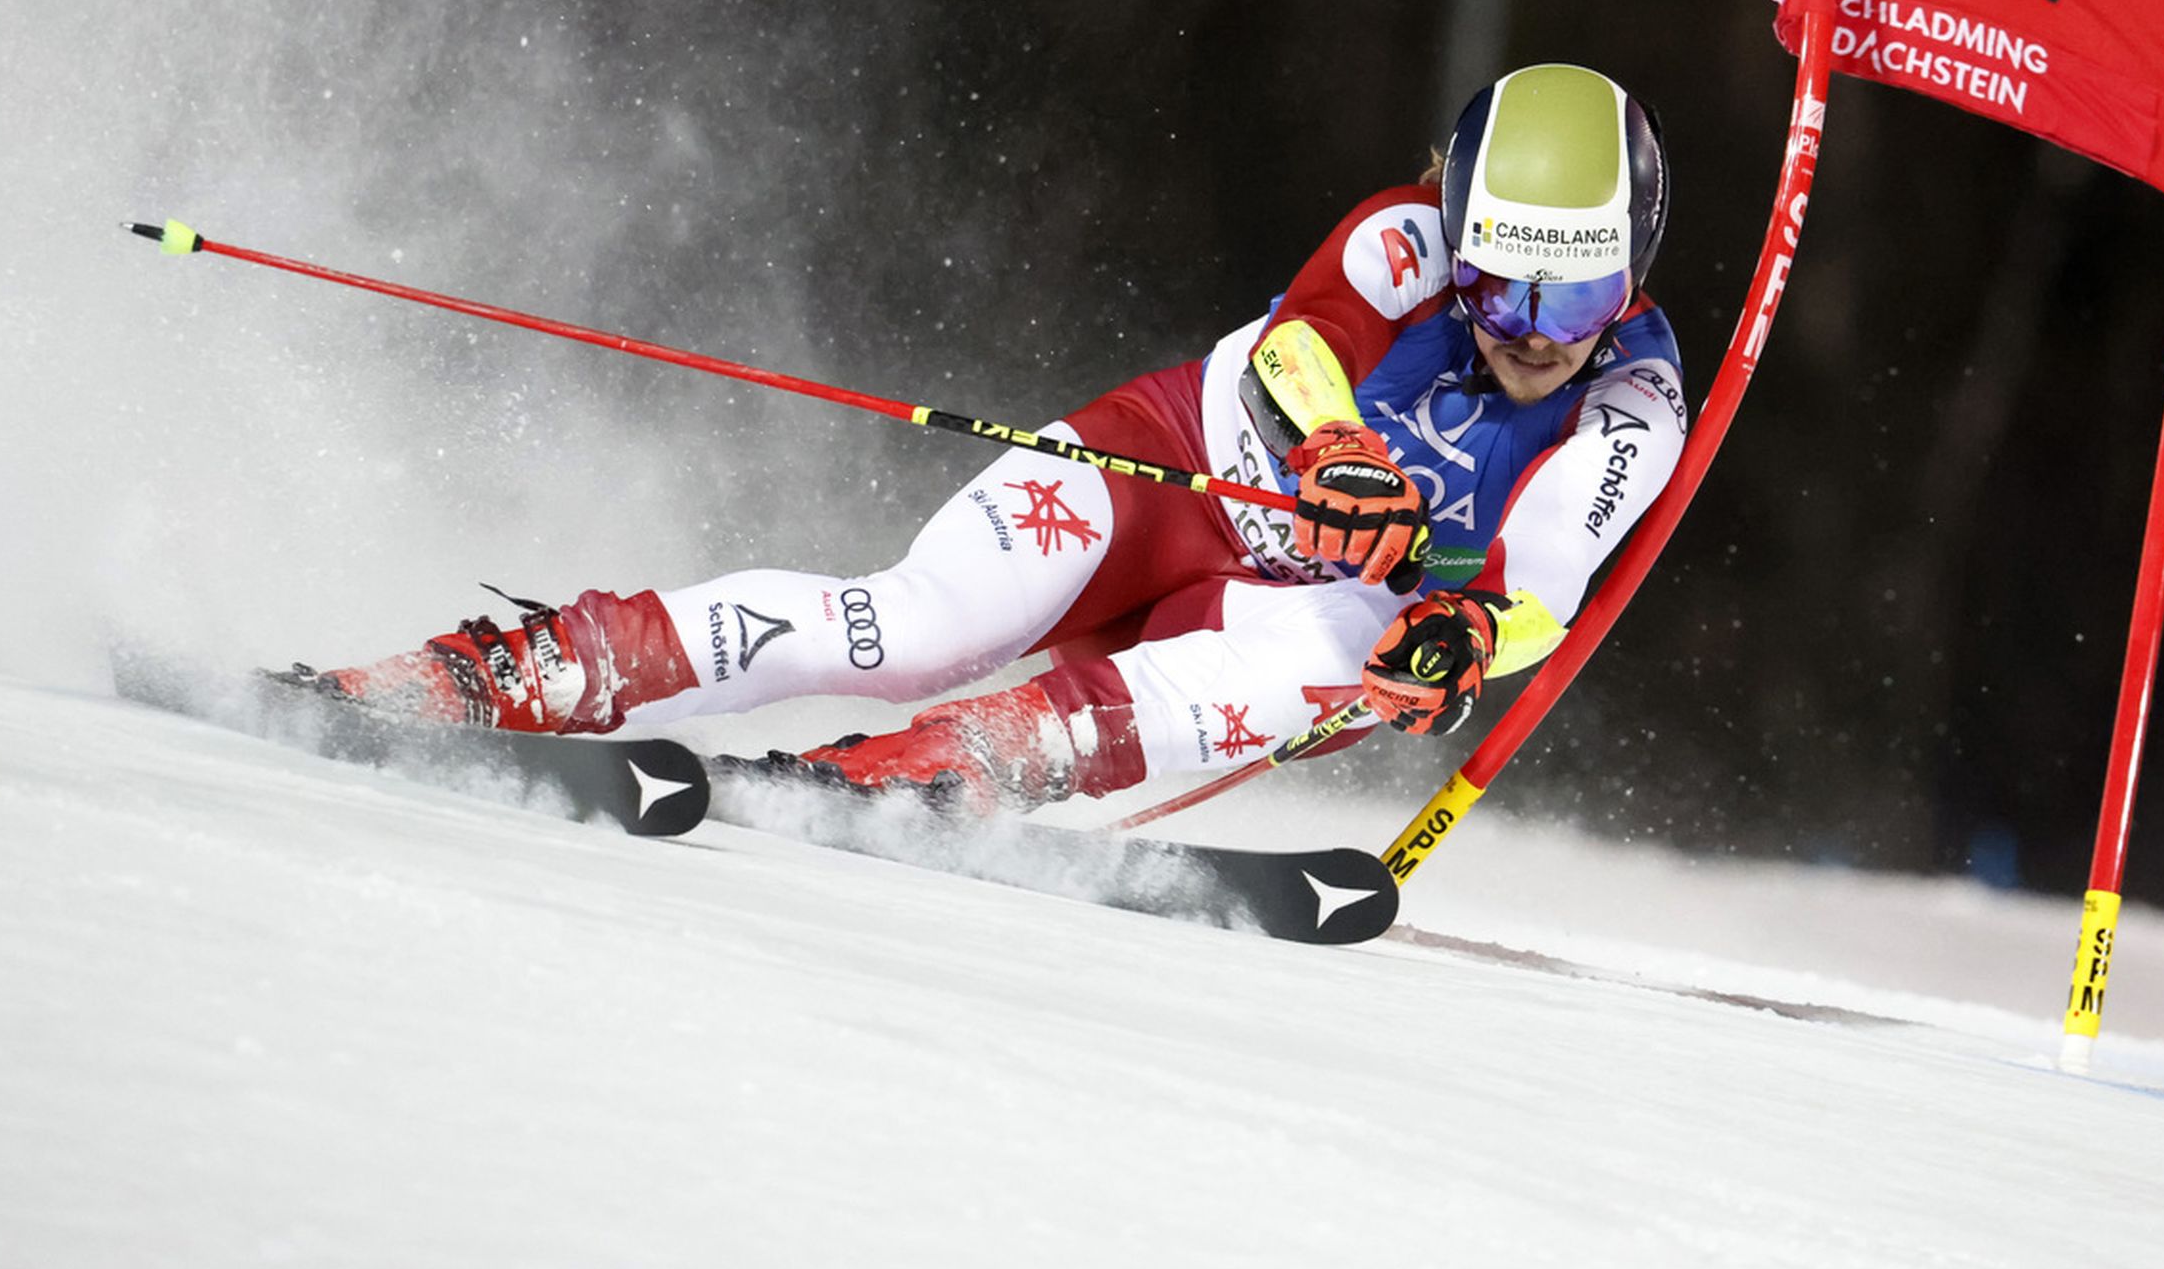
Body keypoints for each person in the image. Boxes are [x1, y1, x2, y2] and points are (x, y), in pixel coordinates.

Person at [312, 63, 1687, 814]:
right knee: (909, 628)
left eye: (1572, 292)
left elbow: (1547, 579)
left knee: (1315, 663)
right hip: (1177, 471)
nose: (1529, 326)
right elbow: (1299, 347)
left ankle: (925, 774)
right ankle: (538, 666)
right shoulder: (1406, 237)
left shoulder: (1634, 402)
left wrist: (1459, 639)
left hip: (1324, 604)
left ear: (1631, 275)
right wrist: (1333, 448)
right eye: (1499, 280)